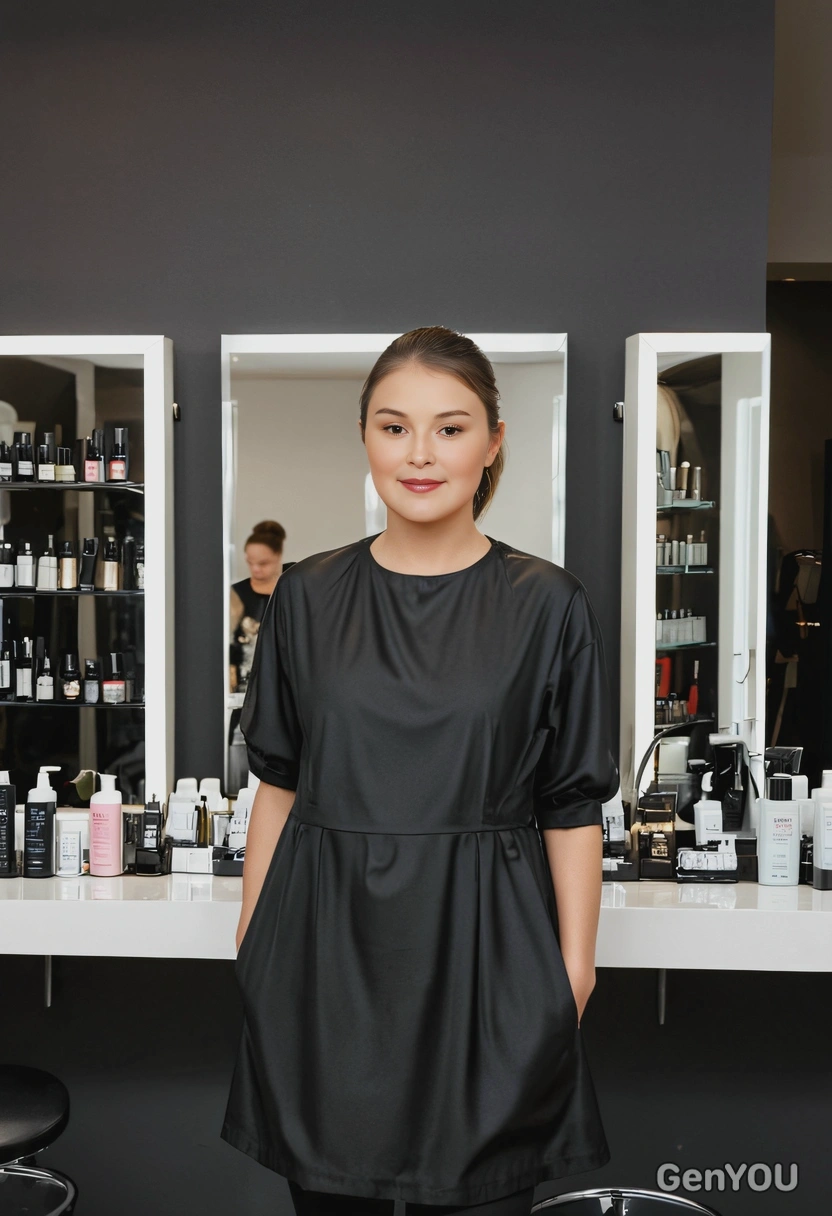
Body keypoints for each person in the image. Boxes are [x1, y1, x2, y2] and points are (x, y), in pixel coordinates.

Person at [221, 327, 620, 1216]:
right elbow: (277, 782)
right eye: (395, 427)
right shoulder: (308, 595)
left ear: (493, 441)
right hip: (326, 959)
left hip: (488, 957)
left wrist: (574, 973)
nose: (420, 454)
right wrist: (255, 943)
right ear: (365, 435)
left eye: (449, 428)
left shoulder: (549, 603)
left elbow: (570, 805)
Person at [229, 520, 288, 693]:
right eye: (250, 562)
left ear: (279, 555)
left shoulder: (292, 587)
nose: (255, 569)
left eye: (263, 563)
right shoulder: (236, 594)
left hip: (285, 683)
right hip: (245, 688)